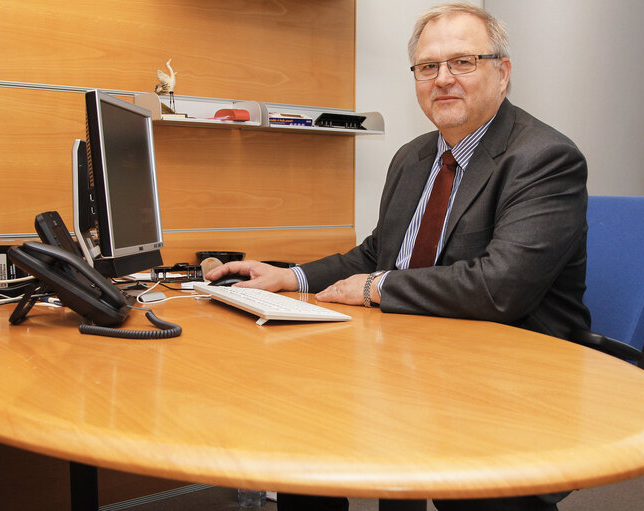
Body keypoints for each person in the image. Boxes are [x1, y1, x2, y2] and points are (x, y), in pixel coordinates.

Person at [206, 3, 590, 510]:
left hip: (504, 381)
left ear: (503, 73)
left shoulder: (543, 158)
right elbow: (377, 252)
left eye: (463, 62)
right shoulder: (413, 157)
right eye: (428, 67)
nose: (443, 79)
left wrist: (376, 287)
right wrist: (290, 277)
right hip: (416, 358)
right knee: (299, 410)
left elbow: (502, 286)